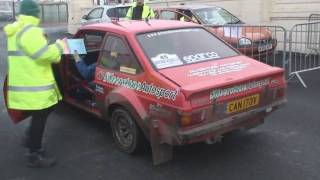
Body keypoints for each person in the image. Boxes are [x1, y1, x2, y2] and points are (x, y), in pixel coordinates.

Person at [4, 0, 66, 168]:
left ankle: (30, 138)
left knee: (45, 111)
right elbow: (45, 55)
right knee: (42, 115)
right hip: (35, 86)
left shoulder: (17, 29)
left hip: (24, 83)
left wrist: (42, 39)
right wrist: (60, 46)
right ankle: (34, 154)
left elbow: (30, 50)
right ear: (35, 13)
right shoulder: (30, 31)